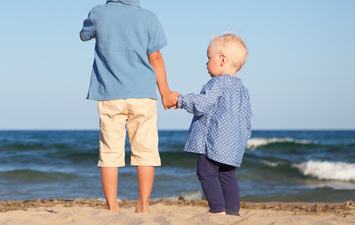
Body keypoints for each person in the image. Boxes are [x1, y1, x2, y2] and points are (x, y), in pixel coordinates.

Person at [79, 0, 178, 214]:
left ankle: (112, 206)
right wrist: (166, 93)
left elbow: (83, 35)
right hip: (143, 95)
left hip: (110, 95)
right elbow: (156, 58)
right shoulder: (149, 18)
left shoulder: (98, 13)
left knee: (109, 153)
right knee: (145, 151)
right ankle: (143, 205)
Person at [176, 33, 252, 216]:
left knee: (206, 173)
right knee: (228, 177)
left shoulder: (217, 83)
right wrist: (241, 140)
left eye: (209, 58)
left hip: (212, 142)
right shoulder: (242, 89)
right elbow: (247, 119)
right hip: (233, 145)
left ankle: (217, 209)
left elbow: (202, 104)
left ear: (222, 60)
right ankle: (233, 212)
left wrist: (180, 100)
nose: (206, 63)